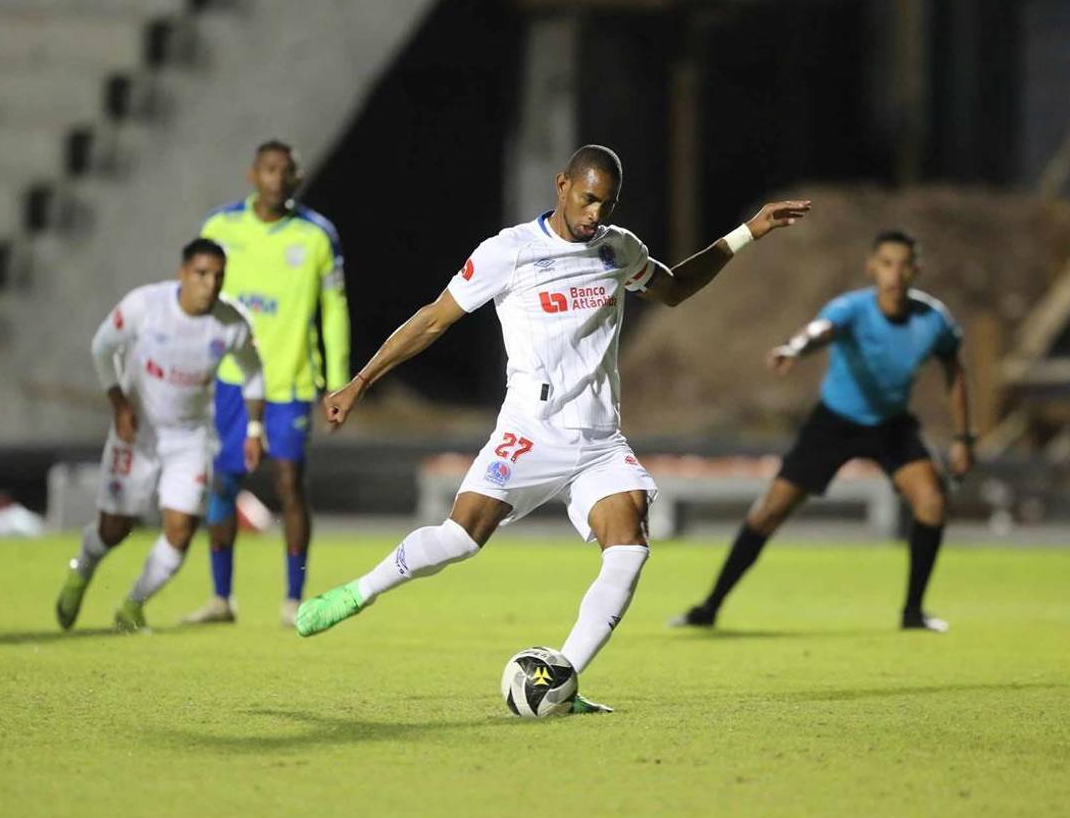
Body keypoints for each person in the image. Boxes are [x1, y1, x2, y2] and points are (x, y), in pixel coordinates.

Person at [295, 144, 809, 711]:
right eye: (588, 199)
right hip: (531, 430)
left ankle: (558, 680)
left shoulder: (617, 248)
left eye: (607, 204)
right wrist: (361, 381)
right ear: (562, 185)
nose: (596, 214)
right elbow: (434, 319)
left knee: (630, 545)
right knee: (460, 538)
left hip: (599, 441)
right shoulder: (509, 252)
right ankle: (358, 592)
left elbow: (675, 289)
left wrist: (747, 233)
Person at [673, 230, 973, 633]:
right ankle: (709, 606)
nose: (895, 274)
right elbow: (819, 331)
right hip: (835, 421)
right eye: (887, 263)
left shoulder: (933, 319)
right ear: (872, 267)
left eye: (905, 265)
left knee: (932, 503)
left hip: (891, 424)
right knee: (770, 512)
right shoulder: (851, 308)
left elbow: (956, 371)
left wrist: (964, 438)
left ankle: (913, 613)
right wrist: (793, 349)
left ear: (916, 270)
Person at [55, 239, 264, 632]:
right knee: (113, 530)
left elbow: (253, 372)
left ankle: (132, 607)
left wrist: (254, 429)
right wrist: (118, 403)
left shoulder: (231, 323)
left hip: (191, 438)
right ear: (182, 273)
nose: (210, 284)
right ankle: (82, 568)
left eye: (218, 276)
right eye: (202, 274)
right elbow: (103, 347)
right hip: (139, 433)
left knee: (181, 531)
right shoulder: (145, 306)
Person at [184, 140, 350, 627]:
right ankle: (221, 598)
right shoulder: (220, 228)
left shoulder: (318, 236)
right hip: (231, 380)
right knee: (223, 481)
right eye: (269, 170)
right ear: (252, 174)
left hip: (291, 380)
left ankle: (293, 598)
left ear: (296, 178)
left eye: (286, 171)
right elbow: (197, 300)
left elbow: (334, 310)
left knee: (289, 482)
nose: (277, 179)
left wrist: (338, 381)